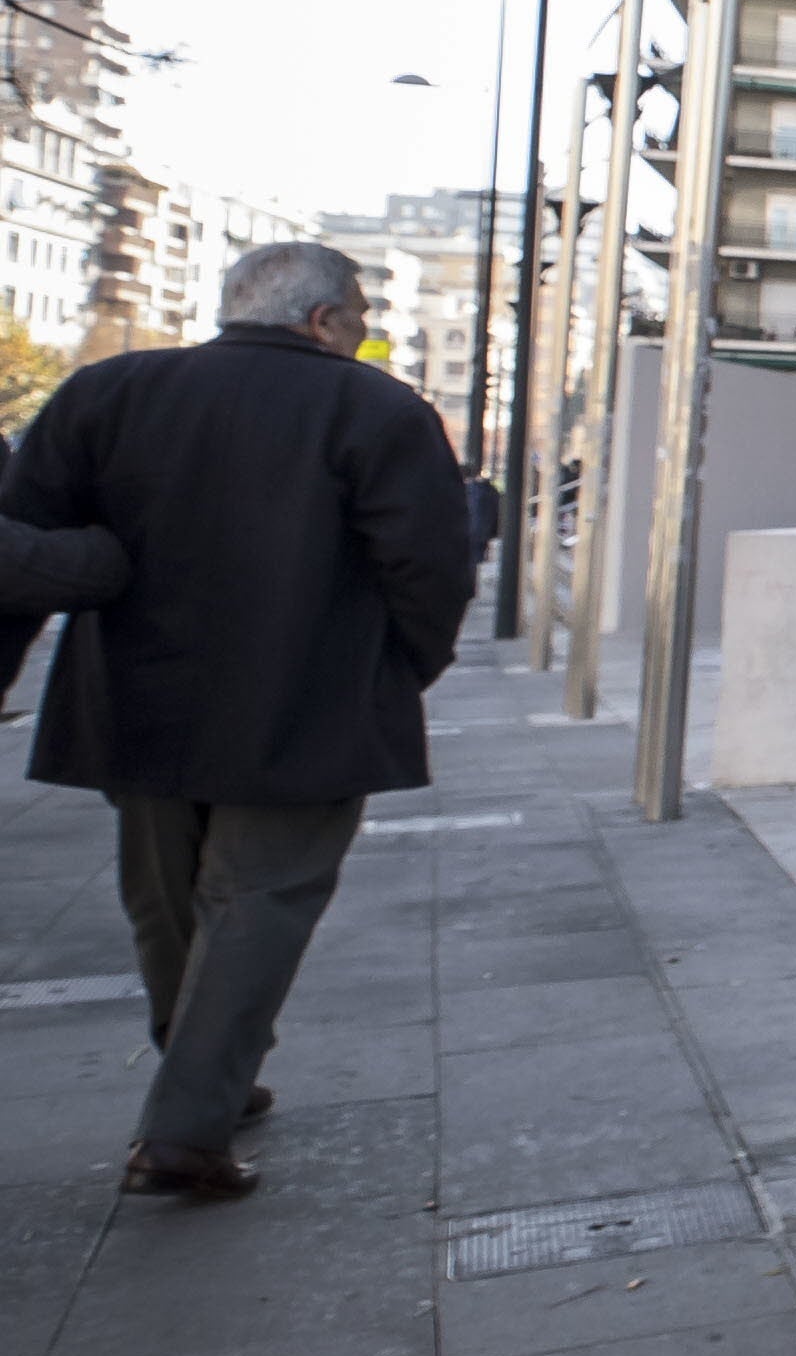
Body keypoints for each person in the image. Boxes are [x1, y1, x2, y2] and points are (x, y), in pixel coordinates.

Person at [0, 241, 473, 1199]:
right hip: (304, 704)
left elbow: (21, 546)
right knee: (257, 904)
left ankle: (198, 1070)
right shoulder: (376, 409)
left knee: (165, 898)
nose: (365, 329)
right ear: (323, 321)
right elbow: (430, 566)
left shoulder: (109, 392)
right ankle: (186, 1126)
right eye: (362, 313)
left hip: (134, 702)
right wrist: (399, 671)